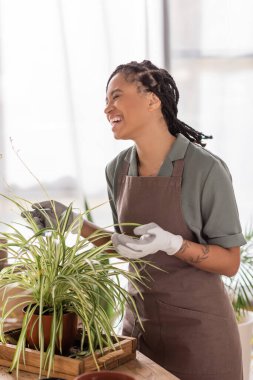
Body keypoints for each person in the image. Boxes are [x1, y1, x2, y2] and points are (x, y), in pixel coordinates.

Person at [27, 60, 246, 380]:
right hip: (138, 331)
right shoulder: (117, 169)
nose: (107, 108)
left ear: (152, 100)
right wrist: (73, 223)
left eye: (116, 96)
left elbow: (229, 263)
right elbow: (125, 247)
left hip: (200, 335)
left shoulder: (205, 169)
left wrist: (174, 244)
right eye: (105, 100)